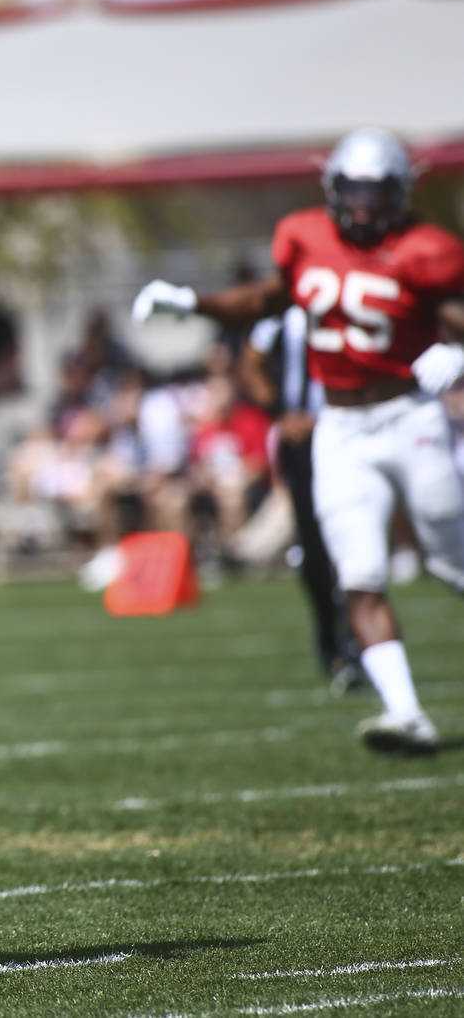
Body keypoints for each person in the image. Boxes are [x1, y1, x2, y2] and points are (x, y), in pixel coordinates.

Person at [132, 127, 464, 754]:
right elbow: (263, 300)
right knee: (359, 573)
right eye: (353, 192)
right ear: (333, 190)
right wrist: (192, 303)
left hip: (410, 418)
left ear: (401, 193)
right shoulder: (306, 238)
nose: (363, 207)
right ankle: (407, 713)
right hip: (339, 428)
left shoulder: (426, 249)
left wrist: (456, 352)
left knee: (451, 561)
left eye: (376, 194)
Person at [237, 304, 363, 692]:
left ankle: (359, 639)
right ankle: (332, 637)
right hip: (302, 443)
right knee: (313, 546)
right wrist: (280, 412)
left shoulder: (350, 302)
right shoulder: (281, 315)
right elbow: (251, 363)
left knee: (355, 543)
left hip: (350, 432)